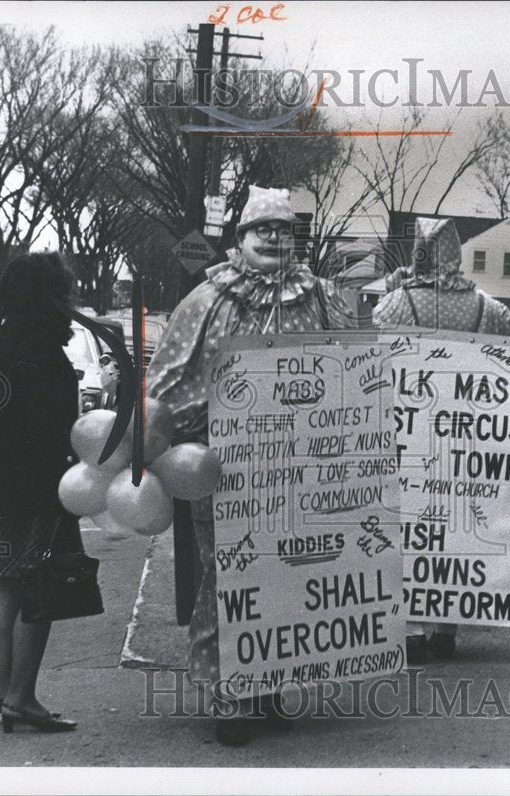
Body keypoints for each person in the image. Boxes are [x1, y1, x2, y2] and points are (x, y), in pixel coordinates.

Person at [145, 185, 355, 746]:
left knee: (290, 574)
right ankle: (229, 692)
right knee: (226, 577)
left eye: (283, 228)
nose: (273, 237)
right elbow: (165, 385)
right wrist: (218, 416)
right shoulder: (207, 300)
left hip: (304, 469)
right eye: (261, 228)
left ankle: (271, 683)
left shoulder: (323, 297)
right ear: (240, 237)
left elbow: (356, 367)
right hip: (228, 471)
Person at [371, 216, 510, 664]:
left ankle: (414, 626)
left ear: (419, 251)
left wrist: (390, 286)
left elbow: (367, 337)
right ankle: (446, 627)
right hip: (468, 437)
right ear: (455, 253)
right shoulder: (483, 305)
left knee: (411, 524)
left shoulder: (398, 303)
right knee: (456, 524)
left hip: (410, 433)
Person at [0, 252, 82, 733]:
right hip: (37, 488)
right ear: (49, 295)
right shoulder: (42, 344)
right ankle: (24, 698)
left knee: (8, 588)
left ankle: (2, 691)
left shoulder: (4, 337)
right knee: (41, 590)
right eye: (67, 291)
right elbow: (46, 424)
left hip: (1, 487)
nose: (73, 299)